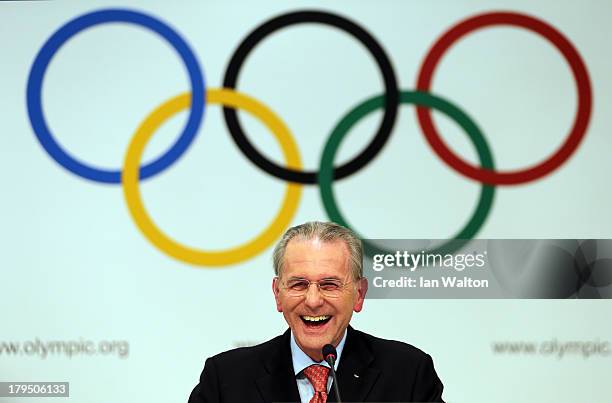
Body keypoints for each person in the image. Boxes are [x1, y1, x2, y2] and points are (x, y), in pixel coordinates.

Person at [189, 221, 445, 402]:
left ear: (359, 294)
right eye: (299, 284)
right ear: (278, 294)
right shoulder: (226, 379)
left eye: (329, 285)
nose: (313, 301)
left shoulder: (408, 374)